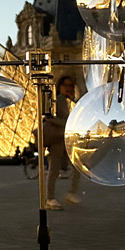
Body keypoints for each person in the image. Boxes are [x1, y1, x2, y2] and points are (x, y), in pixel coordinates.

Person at [43, 75, 81, 210]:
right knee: (54, 169)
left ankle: (71, 192)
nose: (68, 88)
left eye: (70, 85)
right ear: (59, 86)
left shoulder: (70, 101)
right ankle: (50, 199)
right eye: (65, 85)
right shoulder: (57, 100)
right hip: (57, 138)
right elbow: (49, 118)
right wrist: (67, 124)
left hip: (67, 138)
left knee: (76, 166)